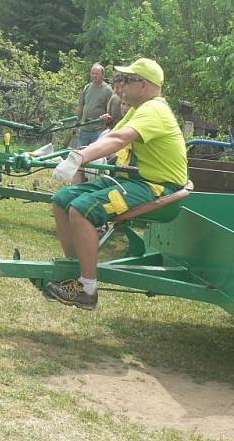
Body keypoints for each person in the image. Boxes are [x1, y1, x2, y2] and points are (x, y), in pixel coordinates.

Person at [45, 58, 188, 310]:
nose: (120, 86)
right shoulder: (138, 109)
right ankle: (76, 270)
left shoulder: (155, 110)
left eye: (126, 80)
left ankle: (87, 290)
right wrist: (69, 154)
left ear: (143, 85)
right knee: (61, 201)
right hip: (132, 180)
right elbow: (110, 135)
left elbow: (121, 138)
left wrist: (80, 157)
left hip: (157, 186)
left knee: (82, 210)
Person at [76, 63, 113, 146]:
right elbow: (80, 106)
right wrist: (76, 123)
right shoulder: (87, 87)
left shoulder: (108, 90)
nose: (94, 75)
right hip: (84, 128)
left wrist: (105, 127)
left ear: (102, 75)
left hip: (98, 130)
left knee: (95, 156)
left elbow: (109, 111)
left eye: (97, 73)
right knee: (80, 153)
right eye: (92, 73)